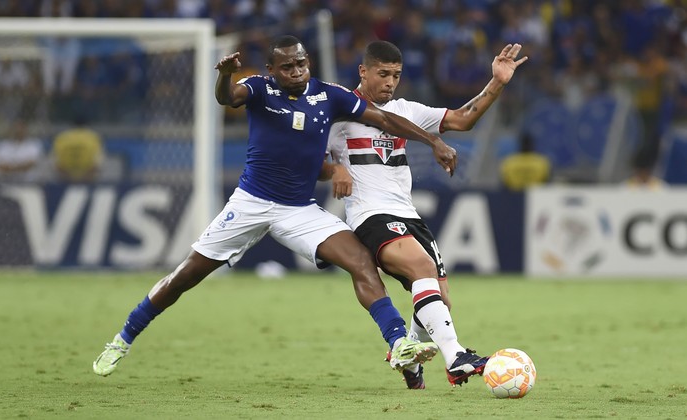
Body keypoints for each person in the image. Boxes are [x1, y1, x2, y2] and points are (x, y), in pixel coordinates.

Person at [92, 35, 458, 378]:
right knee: (184, 277)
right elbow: (227, 98)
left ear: (308, 63)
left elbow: (384, 118)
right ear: (272, 71)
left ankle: (399, 344)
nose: (296, 72)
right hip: (251, 203)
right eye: (287, 67)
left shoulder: (330, 96)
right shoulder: (258, 88)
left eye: (301, 64)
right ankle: (122, 339)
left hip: (298, 209)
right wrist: (224, 77)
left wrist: (432, 141)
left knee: (361, 261)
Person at [325, 40, 527, 389]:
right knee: (421, 268)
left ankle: (410, 359)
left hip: (408, 214)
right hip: (369, 213)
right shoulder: (340, 109)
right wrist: (334, 167)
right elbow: (307, 153)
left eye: (396, 75)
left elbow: (463, 120)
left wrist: (497, 82)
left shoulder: (407, 110)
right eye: (383, 74)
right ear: (363, 71)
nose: (390, 82)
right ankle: (456, 358)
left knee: (439, 299)